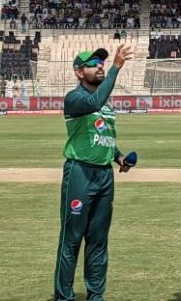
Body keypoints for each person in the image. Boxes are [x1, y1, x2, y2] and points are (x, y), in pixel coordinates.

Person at [54, 44, 135, 301]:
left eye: (102, 62)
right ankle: (64, 297)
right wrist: (116, 67)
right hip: (79, 174)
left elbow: (103, 137)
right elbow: (94, 101)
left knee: (98, 241)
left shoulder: (105, 105)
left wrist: (118, 156)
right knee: (72, 239)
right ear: (79, 72)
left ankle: (96, 297)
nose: (99, 66)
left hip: (104, 176)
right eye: (93, 64)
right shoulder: (75, 98)